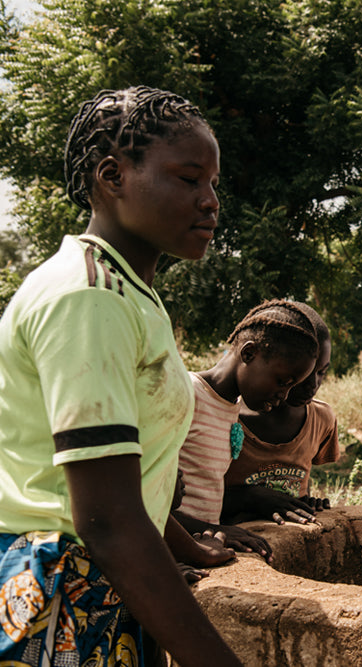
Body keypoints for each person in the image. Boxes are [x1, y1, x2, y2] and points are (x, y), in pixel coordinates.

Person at [0, 86, 241, 665]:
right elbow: (106, 515)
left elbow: (132, 482)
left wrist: (187, 545)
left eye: (213, 184)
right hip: (60, 595)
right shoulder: (89, 298)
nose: (210, 201)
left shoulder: (132, 295)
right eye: (188, 179)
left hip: (99, 582)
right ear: (113, 176)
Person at [173, 299, 320, 544]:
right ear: (249, 353)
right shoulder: (187, 394)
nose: (284, 395)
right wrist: (210, 529)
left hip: (198, 543)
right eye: (282, 381)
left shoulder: (230, 407)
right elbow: (146, 498)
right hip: (172, 545)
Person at [222, 302, 339, 525]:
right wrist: (250, 498)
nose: (313, 384)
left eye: (322, 372)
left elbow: (299, 479)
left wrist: (303, 502)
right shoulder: (226, 416)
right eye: (304, 374)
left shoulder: (321, 419)